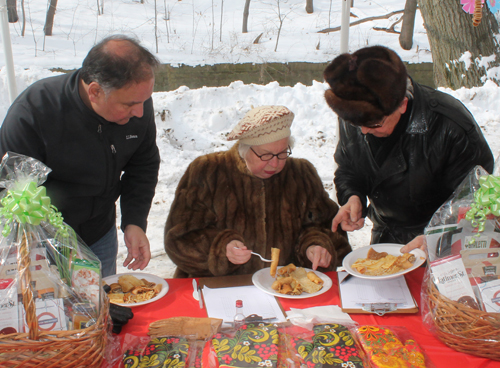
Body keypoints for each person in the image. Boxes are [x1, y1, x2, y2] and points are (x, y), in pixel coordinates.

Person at [0, 35, 161, 277]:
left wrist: (134, 221)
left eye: (144, 101)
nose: (140, 112)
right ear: (95, 91)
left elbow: (143, 165)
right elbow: (11, 194)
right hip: (42, 245)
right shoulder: (35, 112)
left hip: (99, 234)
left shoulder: (137, 104)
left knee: (100, 306)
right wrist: (44, 244)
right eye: (130, 104)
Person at [324, 45, 494, 245]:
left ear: (402, 104)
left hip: (443, 241)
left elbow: (477, 199)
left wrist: (437, 238)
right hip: (386, 236)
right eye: (356, 124)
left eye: (374, 124)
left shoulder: (450, 125)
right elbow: (348, 167)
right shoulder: (357, 114)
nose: (363, 131)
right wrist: (353, 197)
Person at [164, 105, 351, 278]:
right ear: (244, 149)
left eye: (283, 153)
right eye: (266, 155)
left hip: (285, 288)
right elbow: (179, 238)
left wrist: (315, 245)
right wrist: (221, 249)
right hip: (217, 289)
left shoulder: (301, 174)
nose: (275, 163)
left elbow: (329, 227)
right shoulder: (207, 172)